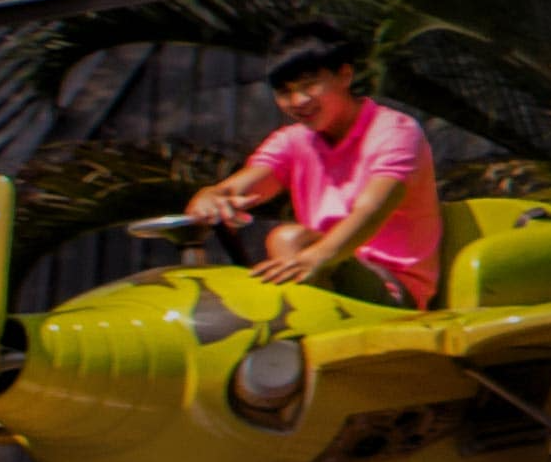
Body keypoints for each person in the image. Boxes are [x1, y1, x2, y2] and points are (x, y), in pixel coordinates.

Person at [190, 34, 445, 310]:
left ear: (344, 75)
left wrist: (315, 258)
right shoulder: (292, 141)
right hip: (324, 276)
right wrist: (211, 198)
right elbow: (238, 187)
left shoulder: (394, 131)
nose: (298, 100)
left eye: (308, 85)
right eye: (285, 92)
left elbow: (370, 211)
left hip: (393, 290)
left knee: (289, 240)